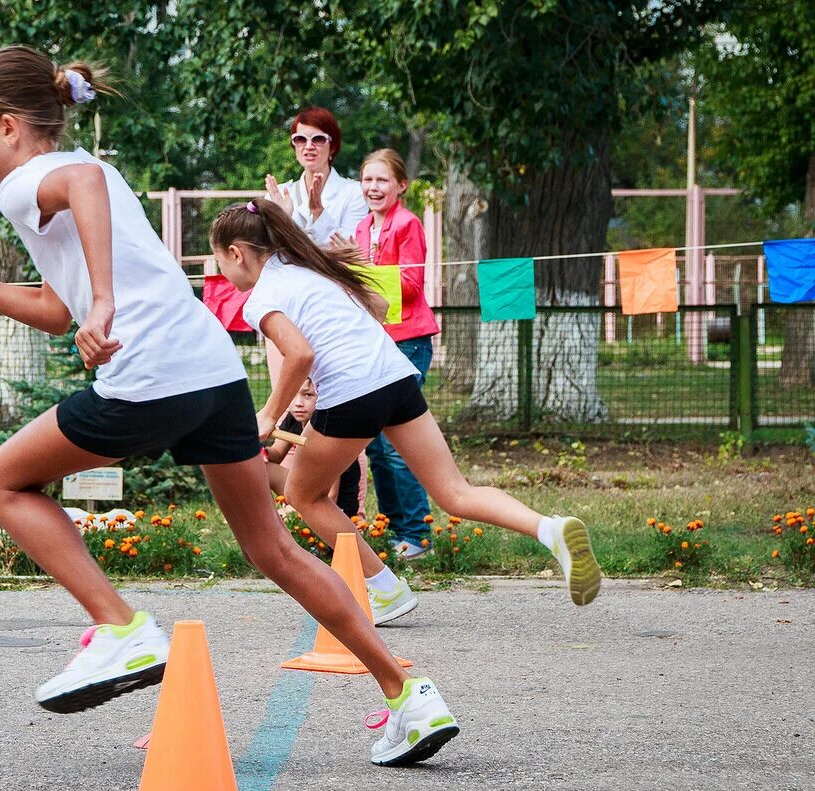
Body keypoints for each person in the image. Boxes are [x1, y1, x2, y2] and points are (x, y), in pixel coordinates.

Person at [0, 45, 448, 766]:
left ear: (8, 125)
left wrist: (104, 301)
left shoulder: (31, 181)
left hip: (149, 374)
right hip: (210, 371)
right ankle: (409, 693)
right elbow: (56, 310)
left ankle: (118, 626)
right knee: (272, 549)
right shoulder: (49, 188)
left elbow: (85, 189)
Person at [210, 198, 602, 641]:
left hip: (351, 392)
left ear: (237, 253)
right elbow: (377, 305)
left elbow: (300, 353)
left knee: (303, 493)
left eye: (219, 260)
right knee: (455, 492)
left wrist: (268, 414)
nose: (222, 272)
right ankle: (549, 530)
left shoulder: (262, 296)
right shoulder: (312, 267)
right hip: (395, 377)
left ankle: (384, 588)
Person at [337, 149, 439, 560]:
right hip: (375, 343)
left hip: (409, 341)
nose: (373, 188)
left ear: (400, 186)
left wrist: (358, 266)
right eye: (367, 181)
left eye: (382, 181)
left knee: (399, 445)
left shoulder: (407, 224)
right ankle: (395, 528)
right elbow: (359, 287)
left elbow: (411, 285)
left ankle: (418, 534)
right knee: (376, 444)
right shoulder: (361, 227)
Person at [263, 106, 367, 248]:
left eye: (318, 139)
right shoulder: (278, 194)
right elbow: (268, 251)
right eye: (300, 139)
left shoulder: (355, 193)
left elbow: (349, 249)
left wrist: (319, 213)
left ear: (333, 147)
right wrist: (283, 219)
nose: (309, 146)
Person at [266, 378, 363, 519]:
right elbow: (276, 454)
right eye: (293, 394)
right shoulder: (293, 419)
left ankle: (295, 518)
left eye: (308, 395)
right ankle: (268, 517)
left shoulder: (330, 426)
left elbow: (332, 494)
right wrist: (257, 449)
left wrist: (298, 516)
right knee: (263, 468)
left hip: (337, 508)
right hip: (309, 493)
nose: (298, 403)